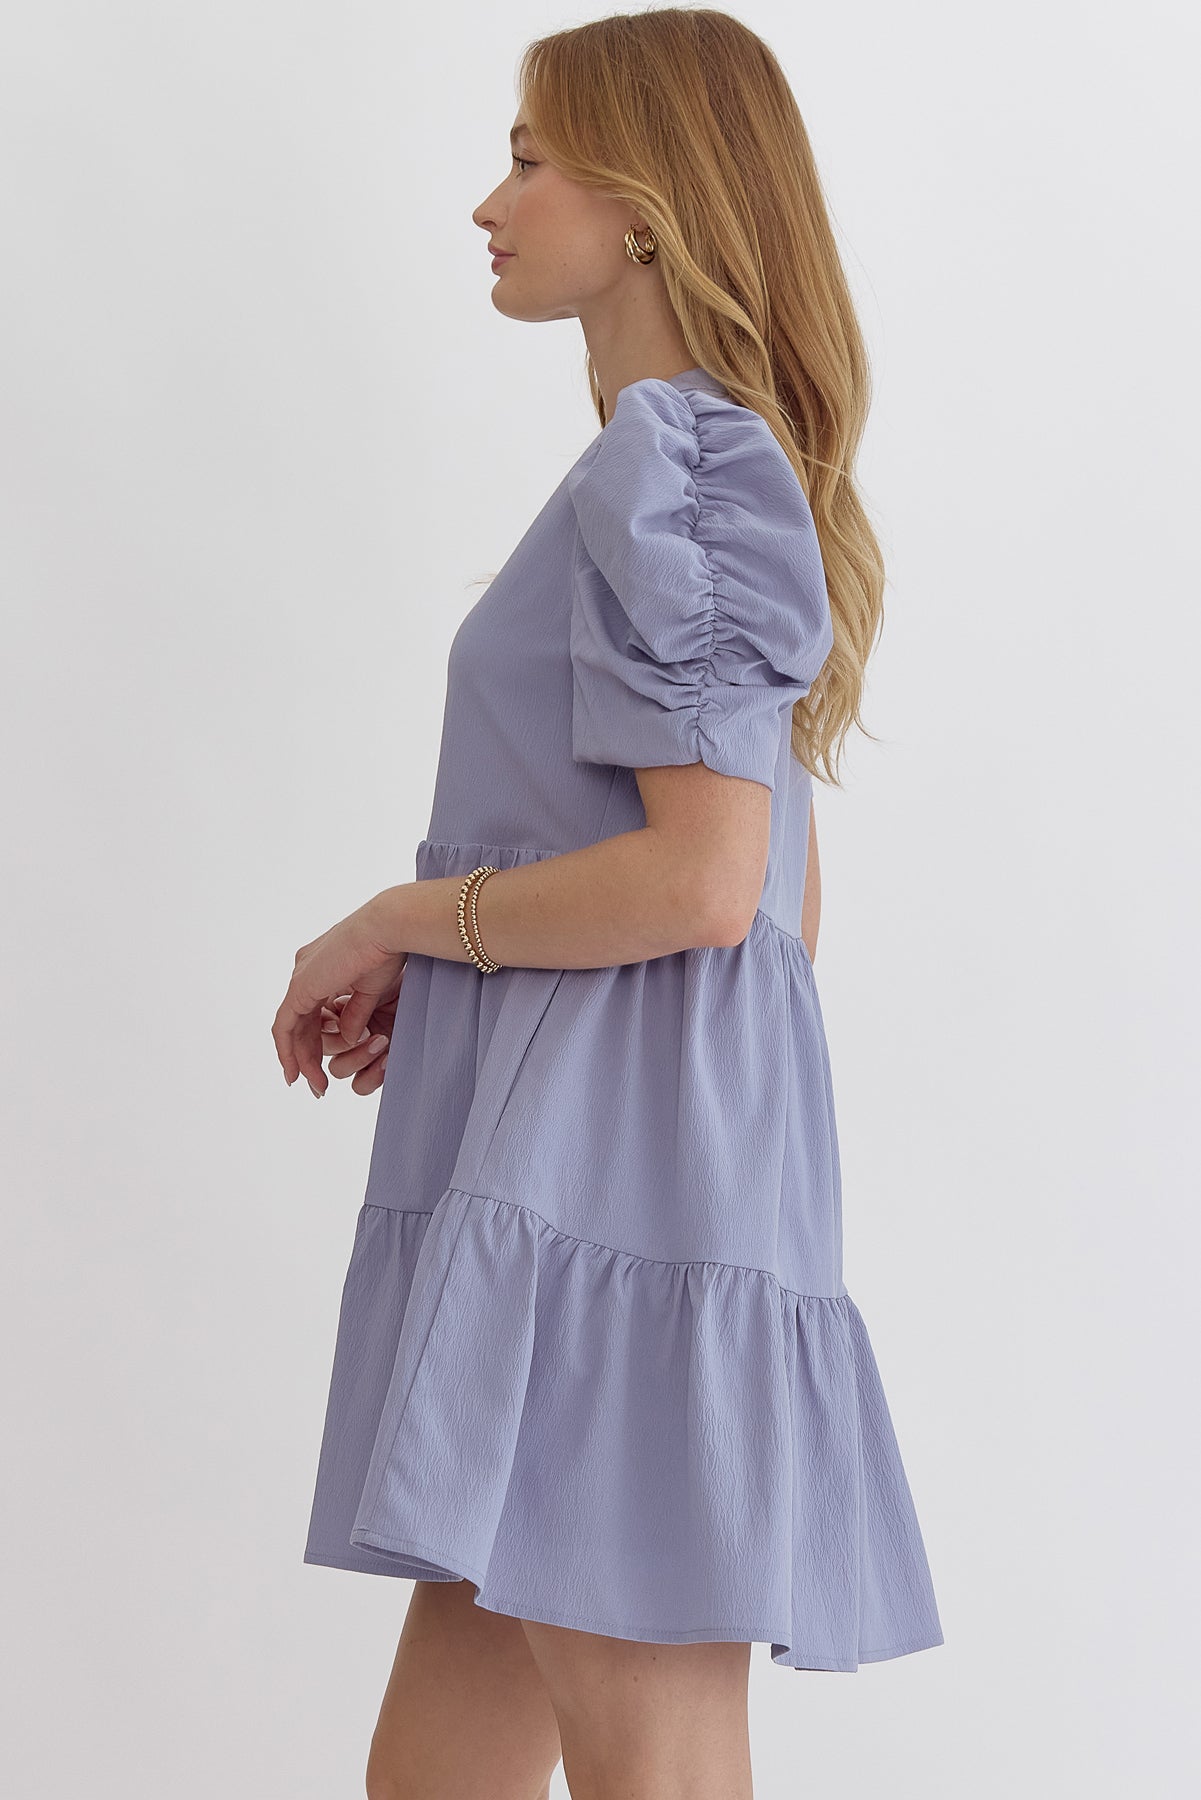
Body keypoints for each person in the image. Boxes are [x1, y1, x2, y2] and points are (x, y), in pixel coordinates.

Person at [273, 9, 944, 1796]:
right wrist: (503, 969)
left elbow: (712, 888)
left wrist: (403, 922)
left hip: (607, 1168)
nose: (487, 204)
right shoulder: (686, 467)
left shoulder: (685, 464)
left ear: (646, 205)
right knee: (446, 1750)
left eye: (526, 159)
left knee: (653, 1751)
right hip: (591, 1146)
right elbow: (772, 906)